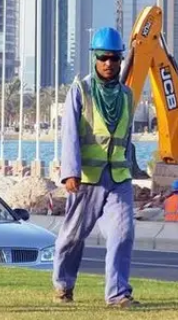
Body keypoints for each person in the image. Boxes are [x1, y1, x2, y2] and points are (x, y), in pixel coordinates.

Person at [52, 27, 139, 308]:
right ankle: (63, 285)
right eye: (104, 58)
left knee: (123, 233)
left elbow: (126, 137)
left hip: (118, 177)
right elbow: (69, 135)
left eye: (115, 59)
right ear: (94, 57)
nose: (109, 64)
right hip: (86, 178)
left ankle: (118, 294)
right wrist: (70, 172)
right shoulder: (81, 91)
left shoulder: (126, 95)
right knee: (73, 237)